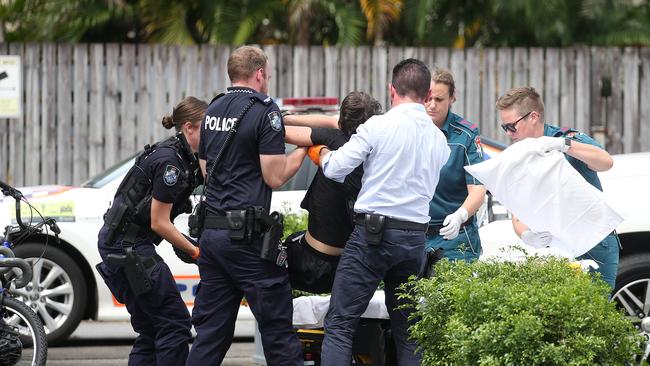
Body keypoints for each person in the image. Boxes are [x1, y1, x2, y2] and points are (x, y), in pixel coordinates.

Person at [313, 59, 450, 365]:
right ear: (428, 95)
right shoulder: (440, 141)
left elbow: (336, 169)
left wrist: (321, 152)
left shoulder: (377, 126)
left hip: (373, 237)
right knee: (409, 330)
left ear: (391, 90)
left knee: (340, 323)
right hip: (414, 240)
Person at [186, 45, 307, 366]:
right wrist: (306, 151)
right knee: (278, 331)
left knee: (211, 334)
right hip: (248, 242)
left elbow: (205, 171)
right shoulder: (264, 112)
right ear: (259, 74)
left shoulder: (212, 110)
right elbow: (274, 176)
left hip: (212, 236)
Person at [96, 96, 207, 365]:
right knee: (175, 325)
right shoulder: (171, 163)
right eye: (208, 129)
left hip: (121, 245)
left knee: (151, 329)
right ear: (189, 128)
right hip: (129, 249)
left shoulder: (180, 156)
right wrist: (194, 250)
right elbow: (159, 222)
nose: (212, 136)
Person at [496, 86, 619, 289]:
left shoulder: (564, 137)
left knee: (590, 315)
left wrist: (564, 145)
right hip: (556, 247)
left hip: (593, 241)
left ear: (533, 117)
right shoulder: (520, 155)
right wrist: (526, 235)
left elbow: (605, 162)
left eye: (512, 126)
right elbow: (518, 214)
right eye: (505, 128)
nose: (509, 134)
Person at [282, 91, 382, 293]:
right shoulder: (379, 152)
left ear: (341, 121)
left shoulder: (333, 140)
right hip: (351, 266)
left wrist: (310, 144)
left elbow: (278, 129)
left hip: (311, 262)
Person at [424, 69, 486, 262]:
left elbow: (478, 188)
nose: (432, 105)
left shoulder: (466, 135)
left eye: (439, 99)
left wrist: (461, 215)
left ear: (452, 98)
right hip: (414, 235)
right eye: (428, 98)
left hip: (456, 235)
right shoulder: (408, 131)